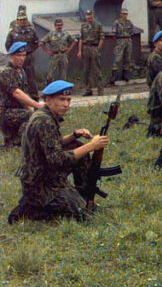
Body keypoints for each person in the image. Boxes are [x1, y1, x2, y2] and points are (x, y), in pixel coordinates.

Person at [7, 80, 108, 223]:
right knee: (83, 214)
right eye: (61, 99)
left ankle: (82, 194)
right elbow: (57, 159)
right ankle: (32, 207)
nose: (66, 104)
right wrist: (91, 145)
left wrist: (73, 135)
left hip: (43, 176)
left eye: (68, 100)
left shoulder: (45, 115)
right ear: (48, 100)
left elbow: (51, 145)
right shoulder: (44, 121)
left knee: (75, 144)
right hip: (42, 184)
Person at [1, 42, 44, 147]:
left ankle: (16, 141)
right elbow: (16, 93)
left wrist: (32, 108)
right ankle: (19, 142)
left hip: (17, 110)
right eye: (18, 55)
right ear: (11, 56)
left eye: (24, 55)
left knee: (34, 116)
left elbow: (24, 95)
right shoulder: (6, 72)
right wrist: (37, 105)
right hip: (5, 112)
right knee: (31, 116)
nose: (22, 58)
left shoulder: (21, 72)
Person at [5, 6, 40, 99]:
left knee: (30, 77)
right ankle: (20, 97)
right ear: (17, 20)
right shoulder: (13, 32)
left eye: (24, 19)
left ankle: (34, 97)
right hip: (16, 59)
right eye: (20, 20)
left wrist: (29, 51)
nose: (22, 21)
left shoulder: (31, 30)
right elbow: (8, 44)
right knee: (16, 77)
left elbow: (36, 42)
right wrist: (15, 55)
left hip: (28, 58)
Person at [40, 18, 76, 85]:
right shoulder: (51, 34)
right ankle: (49, 89)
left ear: (62, 25)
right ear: (54, 26)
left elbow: (74, 41)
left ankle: (62, 90)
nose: (59, 26)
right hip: (54, 56)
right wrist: (47, 51)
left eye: (60, 25)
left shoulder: (66, 34)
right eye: (57, 25)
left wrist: (68, 50)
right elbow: (42, 42)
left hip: (63, 55)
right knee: (51, 74)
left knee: (63, 74)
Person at [77, 9, 104, 96]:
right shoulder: (83, 26)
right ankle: (88, 89)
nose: (89, 19)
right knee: (86, 70)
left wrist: (98, 49)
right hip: (86, 48)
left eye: (91, 17)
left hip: (94, 47)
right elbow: (81, 39)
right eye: (88, 17)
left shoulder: (98, 25)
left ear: (93, 16)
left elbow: (102, 38)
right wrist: (80, 51)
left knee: (97, 69)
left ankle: (100, 89)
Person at [109, 8, 135, 85]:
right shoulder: (117, 22)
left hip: (128, 40)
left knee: (128, 58)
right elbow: (114, 33)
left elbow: (132, 31)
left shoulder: (129, 22)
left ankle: (126, 75)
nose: (124, 15)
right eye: (123, 14)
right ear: (120, 14)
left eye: (126, 14)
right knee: (117, 59)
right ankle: (114, 77)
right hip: (120, 40)